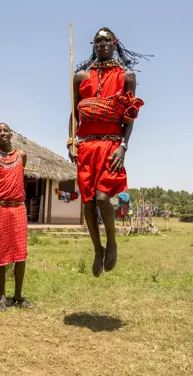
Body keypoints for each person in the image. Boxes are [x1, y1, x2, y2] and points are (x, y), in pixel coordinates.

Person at [68, 27, 146, 277]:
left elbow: (129, 117)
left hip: (112, 146)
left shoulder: (127, 76)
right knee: (88, 204)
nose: (101, 44)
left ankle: (112, 242)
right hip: (87, 146)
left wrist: (124, 146)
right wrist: (71, 140)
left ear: (115, 43)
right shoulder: (81, 77)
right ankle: (97, 249)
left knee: (102, 198)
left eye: (106, 41)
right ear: (93, 45)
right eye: (97, 41)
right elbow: (74, 113)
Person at [0, 123, 30, 311]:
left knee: (20, 254)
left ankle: (17, 295)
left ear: (11, 134)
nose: (2, 133)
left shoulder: (22, 156)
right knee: (0, 254)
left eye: (5, 130)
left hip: (18, 209)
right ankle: (2, 296)